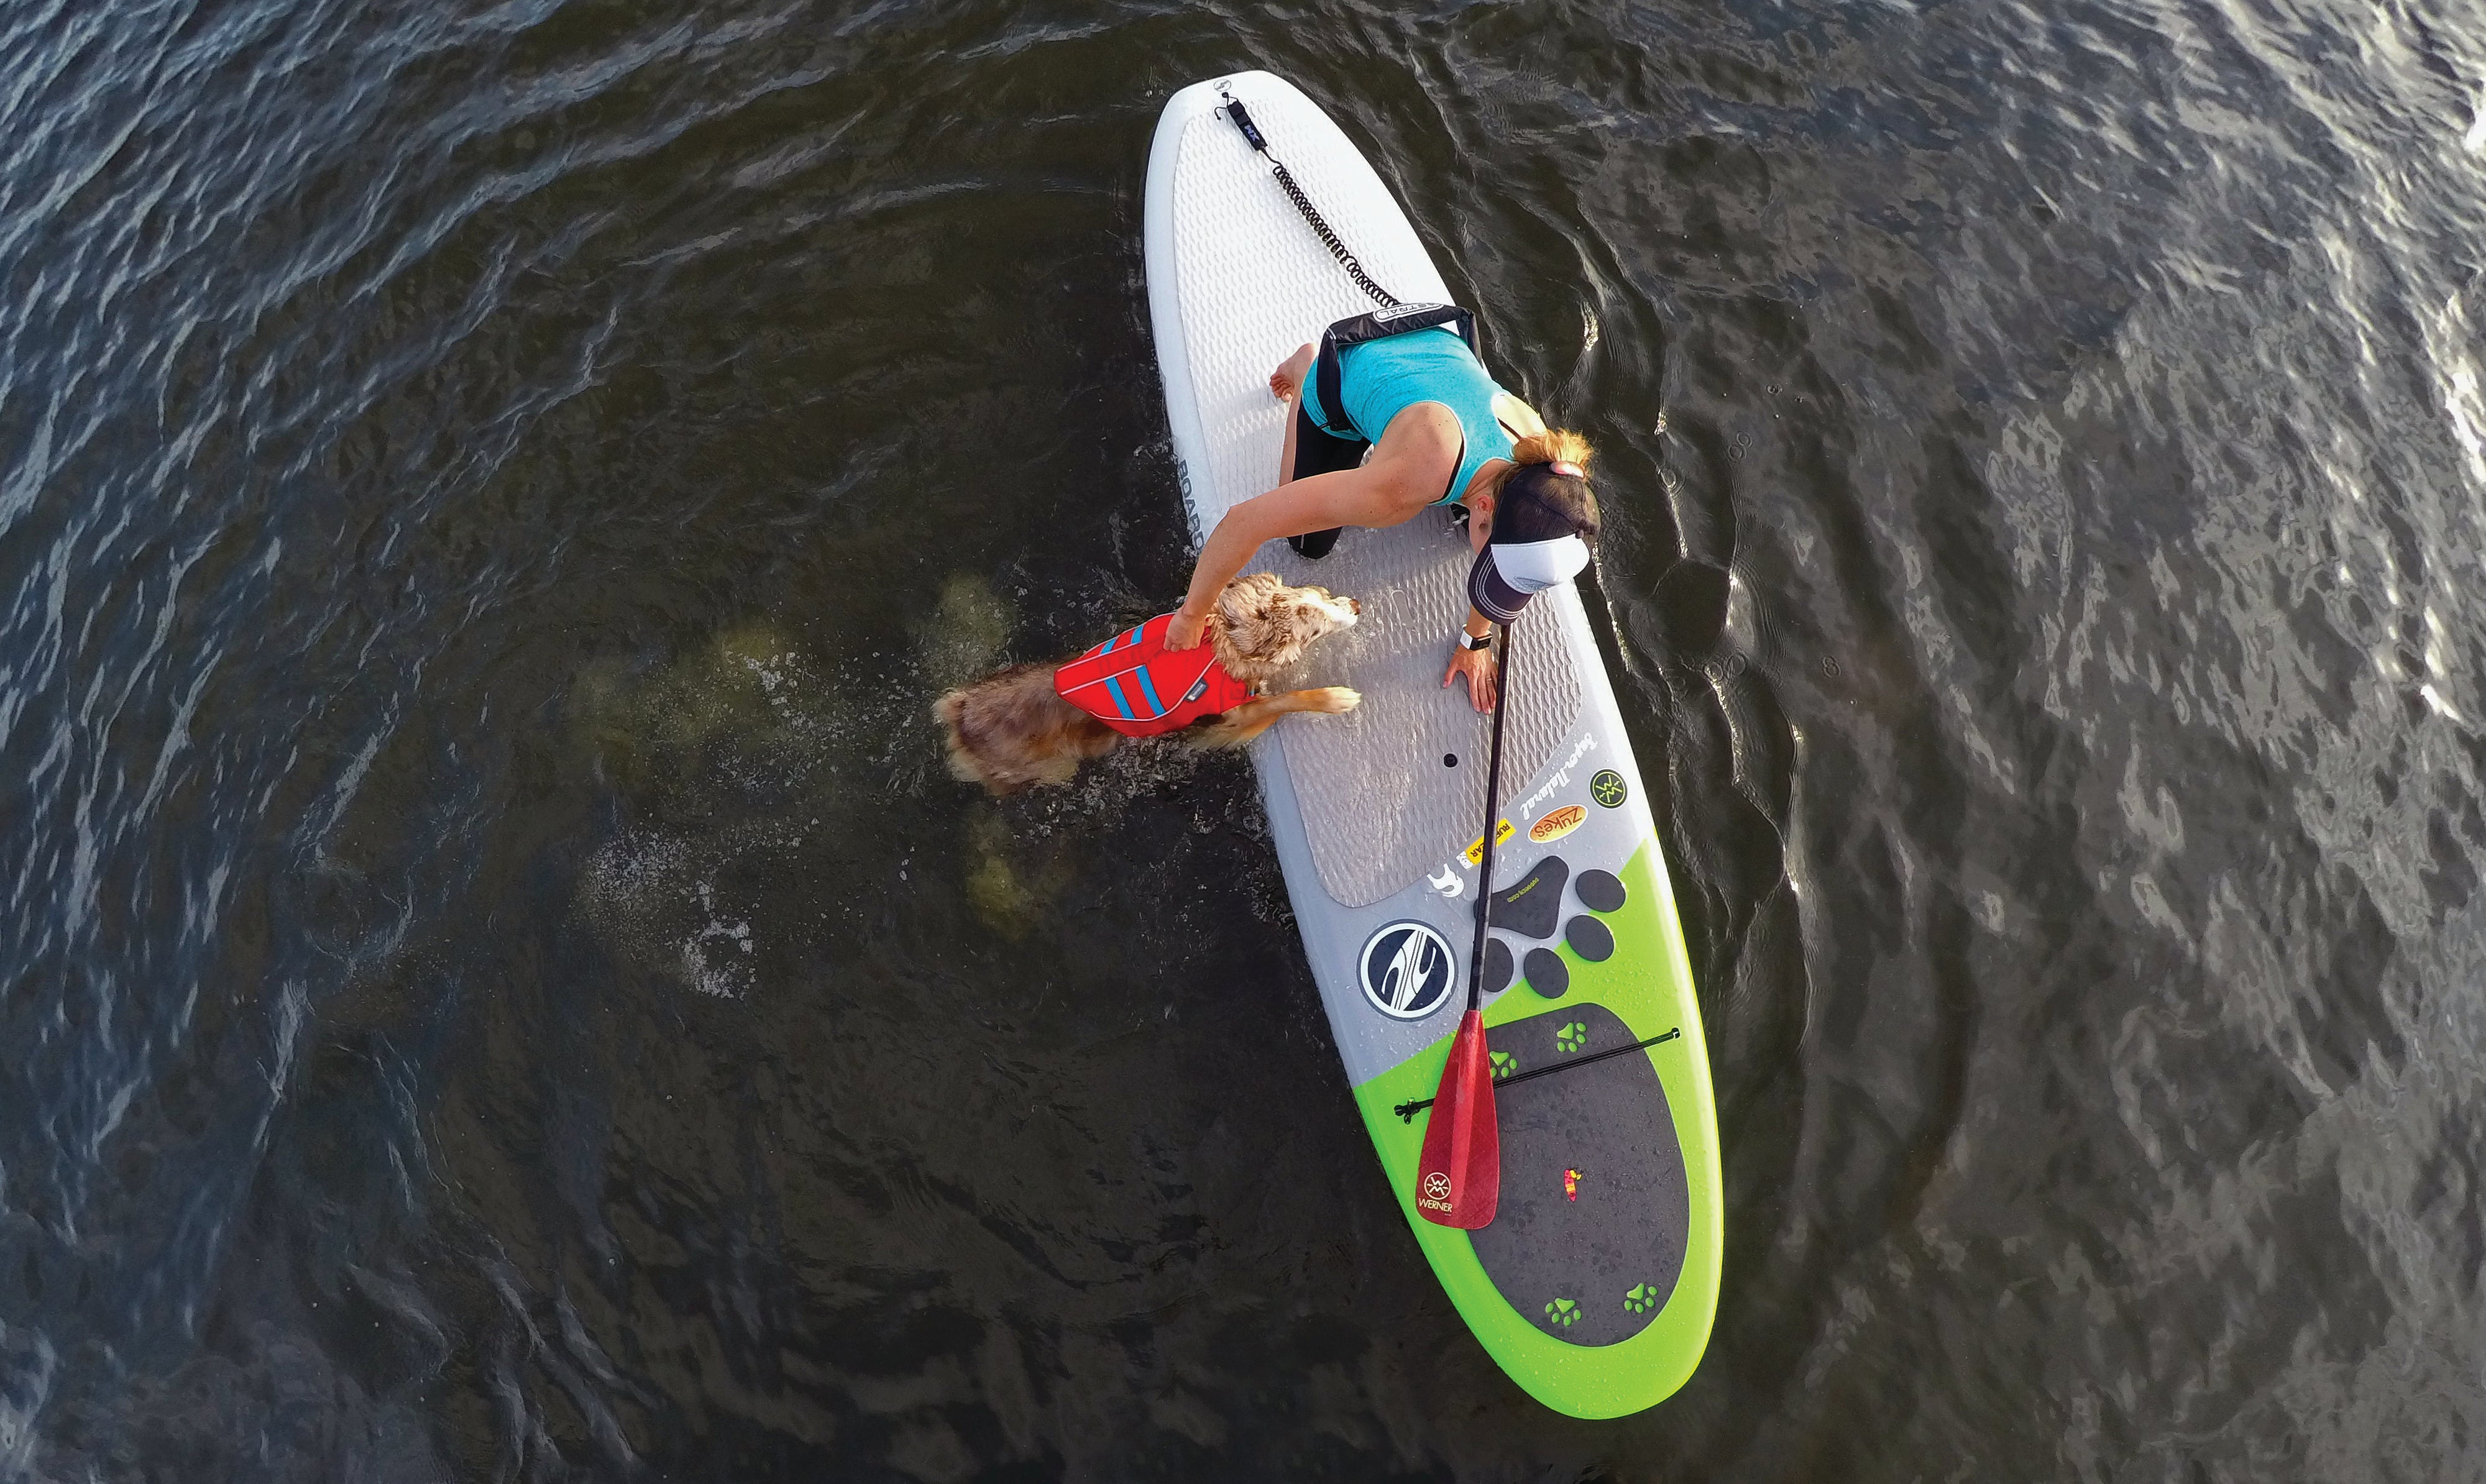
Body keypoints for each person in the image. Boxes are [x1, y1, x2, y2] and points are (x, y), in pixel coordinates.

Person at [1160, 322, 1600, 711]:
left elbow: (1508, 537)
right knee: (1303, 544)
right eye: (1496, 564)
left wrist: (1476, 639)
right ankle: (1306, 368)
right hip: (1352, 365)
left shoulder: (1544, 463)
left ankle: (1397, 426)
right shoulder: (1398, 491)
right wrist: (1191, 615)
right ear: (1484, 506)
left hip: (1437, 348)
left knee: (1472, 533)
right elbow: (1245, 521)